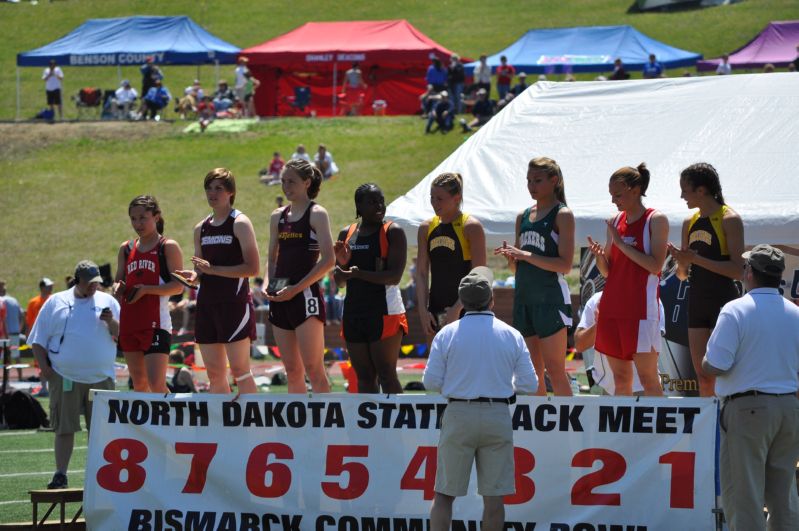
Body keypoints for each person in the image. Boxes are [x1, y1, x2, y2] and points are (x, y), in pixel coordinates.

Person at [423, 266, 537, 531]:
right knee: (494, 500)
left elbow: (430, 382)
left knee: (444, 495)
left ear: (462, 302)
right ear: (492, 301)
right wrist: (501, 385)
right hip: (497, 414)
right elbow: (529, 384)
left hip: (459, 414)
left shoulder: (447, 334)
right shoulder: (512, 334)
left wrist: (456, 384)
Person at [702, 244, 799, 531]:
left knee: (745, 494)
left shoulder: (735, 310)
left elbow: (716, 365)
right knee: (784, 494)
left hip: (747, 409)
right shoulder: (795, 313)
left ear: (748, 273)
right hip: (788, 407)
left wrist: (706, 363)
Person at [27, 260, 119, 489]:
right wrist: (47, 371)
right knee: (64, 428)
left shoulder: (108, 301)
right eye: (89, 283)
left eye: (96, 283)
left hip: (102, 378)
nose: (93, 287)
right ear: (77, 281)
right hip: (64, 376)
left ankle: (100, 477)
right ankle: (61, 474)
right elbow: (37, 340)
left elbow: (122, 336)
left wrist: (111, 322)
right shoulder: (55, 302)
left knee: (100, 431)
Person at [174, 168, 260, 395]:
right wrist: (194, 276)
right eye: (209, 188)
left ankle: (254, 429)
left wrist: (213, 270)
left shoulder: (240, 222)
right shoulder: (200, 228)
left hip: (234, 304)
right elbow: (201, 270)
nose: (212, 193)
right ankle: (221, 427)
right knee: (214, 375)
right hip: (207, 305)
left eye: (218, 188)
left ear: (231, 192)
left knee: (241, 371)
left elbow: (253, 268)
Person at [495, 157, 575, 396]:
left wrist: (525, 254)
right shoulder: (523, 215)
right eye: (528, 180)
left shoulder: (563, 214)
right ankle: (540, 431)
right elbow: (518, 268)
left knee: (555, 370)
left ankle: (568, 429)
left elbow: (565, 265)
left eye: (537, 180)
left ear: (554, 181)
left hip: (550, 299)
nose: (531, 186)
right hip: (524, 299)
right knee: (531, 373)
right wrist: (513, 260)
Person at [587, 163, 667, 396]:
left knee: (648, 379)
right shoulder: (615, 221)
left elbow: (655, 265)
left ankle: (660, 432)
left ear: (635, 190)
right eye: (612, 195)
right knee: (620, 380)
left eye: (618, 195)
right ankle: (623, 433)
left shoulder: (656, 219)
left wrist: (621, 245)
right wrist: (600, 257)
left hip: (641, 311)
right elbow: (608, 272)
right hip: (613, 309)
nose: (614, 201)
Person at [667, 163, 743, 396]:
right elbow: (682, 275)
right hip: (697, 302)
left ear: (701, 191)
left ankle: (727, 425)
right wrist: (681, 261)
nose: (681, 196)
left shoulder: (729, 219)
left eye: (685, 190)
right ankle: (708, 430)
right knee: (703, 374)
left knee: (729, 371)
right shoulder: (689, 223)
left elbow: (738, 270)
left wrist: (695, 260)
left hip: (724, 301)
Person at [264, 159, 335, 393]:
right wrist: (270, 286)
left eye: (291, 182)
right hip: (281, 295)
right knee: (292, 371)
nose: (285, 187)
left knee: (314, 369)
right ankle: (297, 430)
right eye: (283, 181)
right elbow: (272, 258)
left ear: (306, 183)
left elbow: (328, 260)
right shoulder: (278, 216)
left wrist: (296, 288)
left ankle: (326, 428)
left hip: (306, 295)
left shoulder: (317, 213)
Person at [334, 183, 407, 394]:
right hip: (354, 312)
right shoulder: (346, 233)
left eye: (381, 200)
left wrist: (359, 274)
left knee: (386, 373)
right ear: (359, 206)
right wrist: (343, 263)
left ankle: (400, 425)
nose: (379, 206)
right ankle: (373, 427)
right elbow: (339, 281)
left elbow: (394, 277)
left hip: (384, 312)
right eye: (372, 201)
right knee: (364, 377)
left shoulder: (392, 232)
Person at [112, 195, 185, 393]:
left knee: (156, 384)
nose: (138, 223)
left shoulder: (167, 246)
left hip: (156, 324)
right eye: (134, 219)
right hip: (130, 323)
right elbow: (119, 282)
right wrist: (117, 288)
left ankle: (174, 422)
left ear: (156, 216)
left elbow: (178, 287)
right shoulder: (126, 249)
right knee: (139, 385)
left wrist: (146, 290)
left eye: (143, 218)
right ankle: (147, 426)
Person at [416, 172, 487, 342]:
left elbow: (479, 275)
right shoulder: (426, 228)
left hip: (468, 309)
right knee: (437, 366)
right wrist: (423, 311)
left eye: (440, 198)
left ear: (457, 198)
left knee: (467, 365)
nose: (434, 203)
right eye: (432, 198)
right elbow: (422, 273)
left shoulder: (471, 227)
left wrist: (457, 308)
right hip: (436, 309)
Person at [576, 292, 666, 395]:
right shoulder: (596, 300)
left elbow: (651, 343)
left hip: (643, 389)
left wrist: (622, 319)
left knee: (627, 380)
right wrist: (600, 324)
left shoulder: (651, 299)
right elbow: (579, 344)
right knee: (621, 381)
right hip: (608, 390)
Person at [0, 279, 24, 380]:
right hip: (15, 332)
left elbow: (3, 319)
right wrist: (19, 328)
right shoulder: (14, 300)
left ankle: (6, 379)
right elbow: (22, 315)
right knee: (16, 356)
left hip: (4, 334)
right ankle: (20, 378)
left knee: (6, 357)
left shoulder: (2, 301)